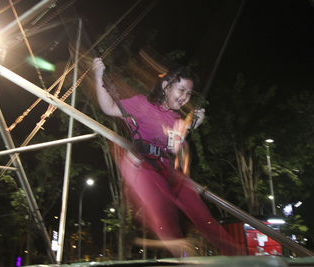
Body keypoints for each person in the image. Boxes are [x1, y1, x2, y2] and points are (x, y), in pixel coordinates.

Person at [93, 57, 236, 256]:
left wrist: (192, 125)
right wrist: (98, 76)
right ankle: (184, 255)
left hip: (168, 170)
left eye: (188, 93)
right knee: (166, 219)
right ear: (166, 86)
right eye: (181, 90)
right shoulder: (142, 104)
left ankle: (237, 256)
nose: (185, 97)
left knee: (203, 216)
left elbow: (174, 147)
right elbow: (108, 108)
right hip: (143, 168)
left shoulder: (177, 118)